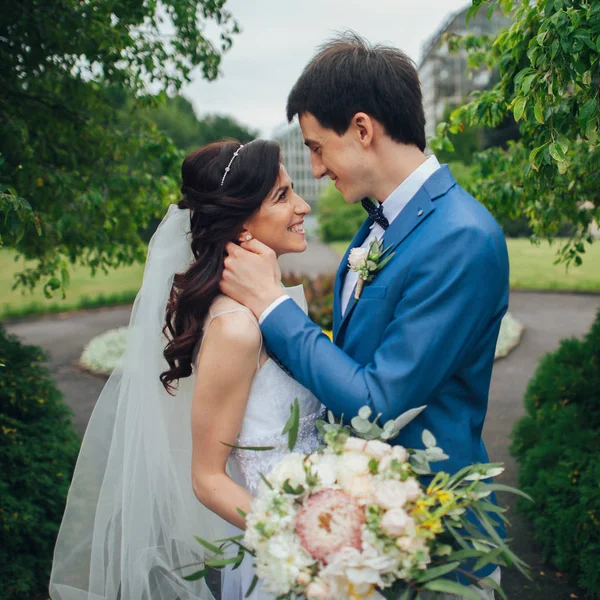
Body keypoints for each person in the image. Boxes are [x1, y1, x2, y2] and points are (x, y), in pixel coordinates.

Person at [220, 33, 507, 599]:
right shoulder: (380, 225)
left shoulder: (462, 238)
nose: (317, 170)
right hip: (364, 534)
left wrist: (274, 306)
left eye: (317, 147)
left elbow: (381, 402)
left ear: (362, 128)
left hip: (440, 546)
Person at [49, 140, 323, 600]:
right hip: (288, 560)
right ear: (239, 220)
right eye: (281, 196)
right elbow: (208, 479)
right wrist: (303, 544)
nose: (303, 205)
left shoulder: (269, 307)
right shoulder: (237, 328)